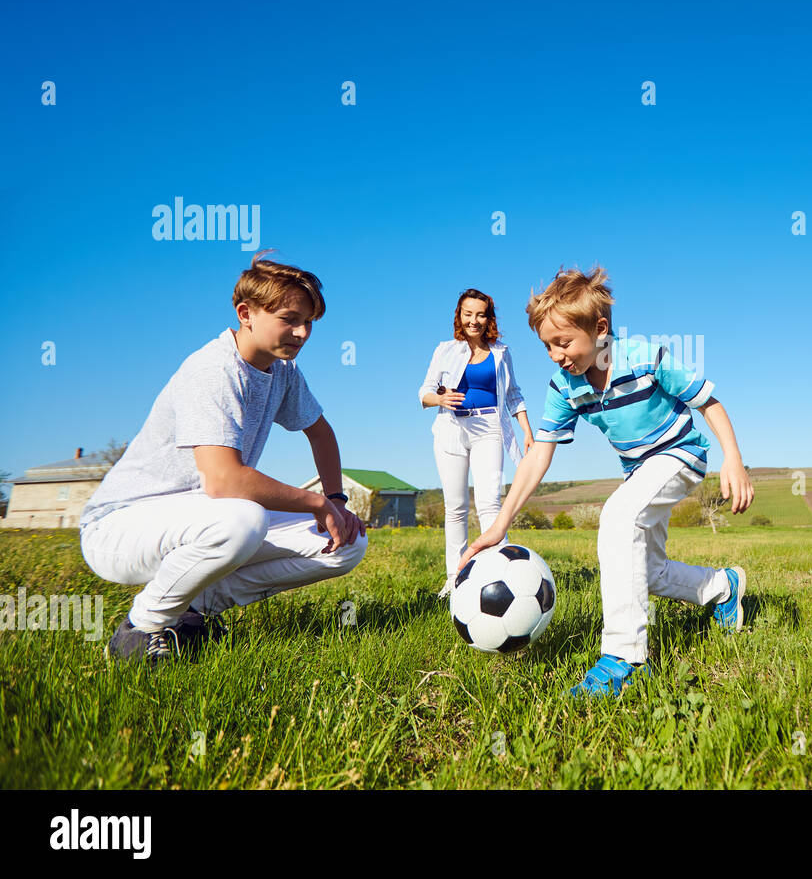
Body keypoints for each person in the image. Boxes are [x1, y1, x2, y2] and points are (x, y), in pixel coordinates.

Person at [460, 267, 754, 697]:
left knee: (617, 517)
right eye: (546, 346)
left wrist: (734, 459)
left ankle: (626, 658)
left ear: (599, 330)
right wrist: (500, 524)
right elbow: (538, 453)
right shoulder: (565, 386)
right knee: (646, 572)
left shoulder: (643, 357)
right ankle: (722, 587)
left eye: (563, 342)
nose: (555, 355)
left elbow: (707, 400)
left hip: (681, 456)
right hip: (639, 473)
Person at [80, 253, 367, 665]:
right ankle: (140, 631)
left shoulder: (283, 371)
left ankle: (193, 613)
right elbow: (224, 482)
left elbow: (320, 432)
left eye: (309, 322)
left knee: (345, 543)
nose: (302, 332)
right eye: (290, 318)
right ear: (246, 313)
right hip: (120, 526)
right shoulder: (213, 369)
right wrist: (316, 502)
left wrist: (337, 502)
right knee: (242, 519)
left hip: (199, 516)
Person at [418, 289, 532, 596]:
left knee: (489, 502)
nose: (474, 320)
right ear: (459, 315)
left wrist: (526, 431)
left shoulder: (501, 352)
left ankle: (502, 572)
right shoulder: (445, 350)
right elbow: (424, 392)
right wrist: (440, 398)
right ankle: (454, 578)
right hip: (450, 428)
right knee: (455, 507)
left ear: (489, 318)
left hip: (489, 428)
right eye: (468, 314)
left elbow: (513, 395)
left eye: (480, 314)